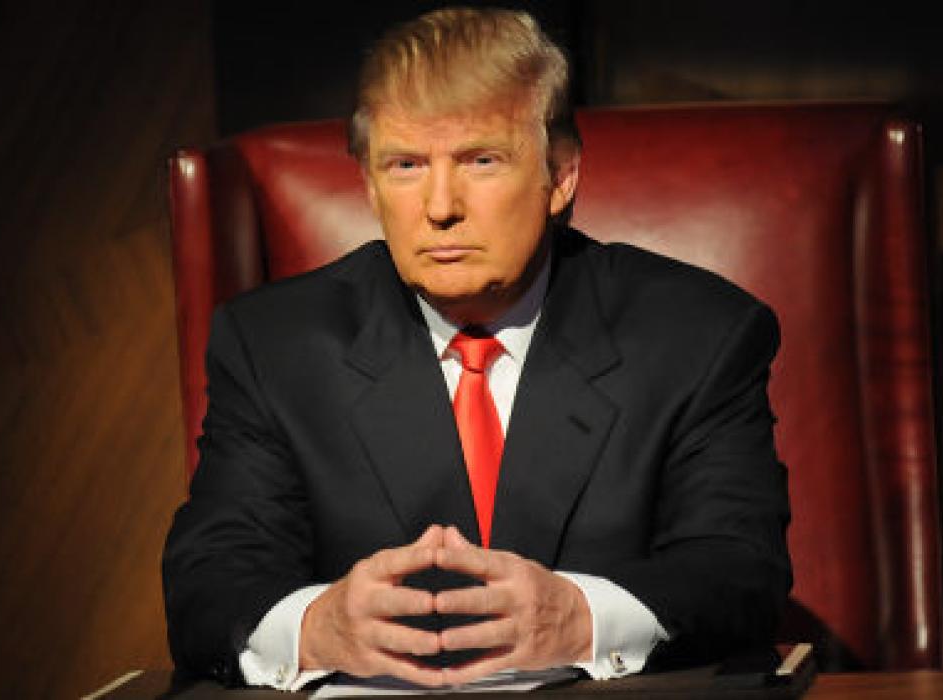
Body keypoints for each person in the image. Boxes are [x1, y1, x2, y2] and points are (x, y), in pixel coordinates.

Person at [162, 6, 791, 691]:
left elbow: (739, 570)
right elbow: (210, 584)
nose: (440, 207)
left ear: (561, 174)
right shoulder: (274, 347)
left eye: (481, 161)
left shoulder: (697, 335)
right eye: (405, 165)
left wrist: (579, 619)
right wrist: (315, 627)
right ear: (369, 185)